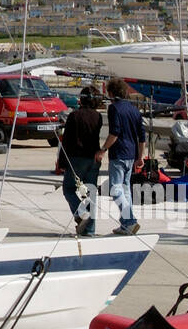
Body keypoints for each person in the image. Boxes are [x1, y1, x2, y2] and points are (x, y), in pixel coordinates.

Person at [100, 78, 144, 236]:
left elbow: (115, 133)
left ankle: (130, 220)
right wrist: (140, 156)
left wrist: (103, 149)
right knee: (125, 190)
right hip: (131, 154)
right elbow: (142, 137)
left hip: (118, 153)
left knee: (115, 188)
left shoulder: (114, 108)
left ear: (111, 93)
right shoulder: (134, 110)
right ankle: (126, 225)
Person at [59, 87, 103, 236]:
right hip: (93, 158)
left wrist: (62, 162)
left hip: (76, 158)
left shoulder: (74, 116)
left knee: (69, 189)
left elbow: (66, 141)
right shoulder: (98, 116)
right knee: (91, 193)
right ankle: (90, 229)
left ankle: (81, 213)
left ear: (82, 99)